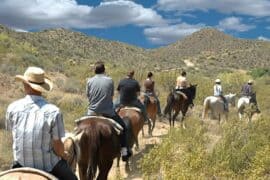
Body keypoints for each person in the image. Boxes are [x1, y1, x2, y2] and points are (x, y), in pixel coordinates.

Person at [6, 67, 77, 180]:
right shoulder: (53, 112)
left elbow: (13, 136)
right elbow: (58, 148)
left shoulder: (12, 108)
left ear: (25, 85)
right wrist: (63, 154)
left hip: (20, 163)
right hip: (48, 166)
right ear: (42, 87)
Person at [86, 61, 131, 161]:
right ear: (104, 70)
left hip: (92, 112)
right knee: (123, 127)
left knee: (78, 129)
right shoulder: (110, 80)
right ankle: (124, 151)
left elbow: (88, 97)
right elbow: (111, 96)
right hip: (108, 112)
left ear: (95, 70)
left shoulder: (89, 81)